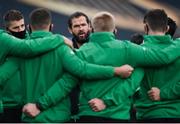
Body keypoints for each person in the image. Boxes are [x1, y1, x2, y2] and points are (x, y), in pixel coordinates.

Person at [23, 11, 179, 123]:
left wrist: (40, 105)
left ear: (92, 28)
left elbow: (65, 83)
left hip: (88, 115)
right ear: (114, 29)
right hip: (119, 116)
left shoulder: (81, 53)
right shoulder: (129, 49)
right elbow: (162, 58)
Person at [2, 8, 131, 123]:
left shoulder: (20, 54)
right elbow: (82, 70)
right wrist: (115, 71)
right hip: (59, 117)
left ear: (29, 27)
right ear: (51, 27)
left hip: (30, 117)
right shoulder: (63, 49)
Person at [134, 9, 180, 123]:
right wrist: (164, 93)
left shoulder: (137, 52)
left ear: (145, 28)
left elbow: (131, 85)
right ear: (167, 28)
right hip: (176, 114)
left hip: (148, 115)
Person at [0, 9, 28, 122]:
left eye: (22, 26)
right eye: (16, 28)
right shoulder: (3, 45)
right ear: (7, 30)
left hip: (28, 106)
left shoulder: (31, 42)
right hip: (7, 106)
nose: (20, 30)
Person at [67, 11, 92, 121]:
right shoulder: (65, 49)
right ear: (70, 29)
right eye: (76, 26)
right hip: (71, 112)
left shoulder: (100, 47)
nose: (81, 28)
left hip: (94, 110)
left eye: (83, 25)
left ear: (89, 26)